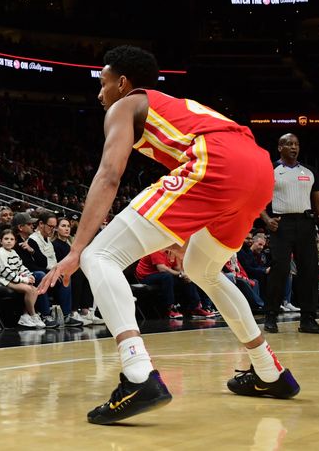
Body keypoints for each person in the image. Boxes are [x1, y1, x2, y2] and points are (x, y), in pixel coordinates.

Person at [38, 45, 299, 425]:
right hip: (257, 169)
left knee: (99, 256)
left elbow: (109, 175)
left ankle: (138, 375)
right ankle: (269, 371)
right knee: (202, 268)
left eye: (103, 83)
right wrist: (181, 232)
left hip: (217, 162)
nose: (99, 93)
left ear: (122, 83)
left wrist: (77, 248)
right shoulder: (175, 105)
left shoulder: (124, 105)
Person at [260, 133, 319, 334]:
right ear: (279, 147)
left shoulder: (309, 171)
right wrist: (266, 219)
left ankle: (308, 319)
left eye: (296, 144)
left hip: (306, 223)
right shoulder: (270, 170)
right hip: (281, 224)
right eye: (289, 144)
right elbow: (255, 198)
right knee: (280, 268)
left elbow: (318, 202)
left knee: (309, 271)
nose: (294, 147)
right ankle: (271, 315)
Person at [0, 229, 45, 328]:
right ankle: (32, 315)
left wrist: (29, 275)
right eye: (6, 239)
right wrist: (24, 280)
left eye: (12, 239)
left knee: (34, 289)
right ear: (1, 241)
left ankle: (25, 315)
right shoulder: (1, 253)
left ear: (15, 242)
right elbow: (6, 274)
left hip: (11, 279)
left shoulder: (14, 252)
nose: (9, 241)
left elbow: (20, 267)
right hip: (1, 280)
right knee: (28, 289)